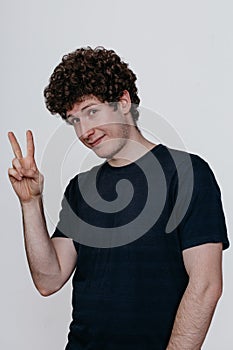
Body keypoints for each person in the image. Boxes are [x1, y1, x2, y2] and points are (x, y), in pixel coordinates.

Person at [8, 47, 229, 350]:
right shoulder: (80, 188)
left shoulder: (188, 173)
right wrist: (30, 203)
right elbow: (49, 279)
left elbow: (206, 286)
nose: (85, 131)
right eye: (74, 121)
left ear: (123, 102)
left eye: (91, 111)